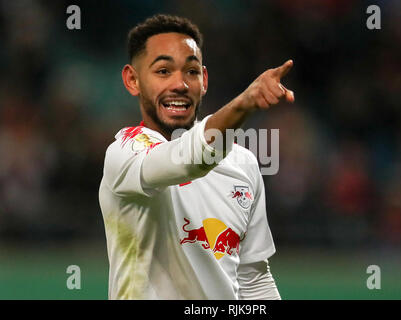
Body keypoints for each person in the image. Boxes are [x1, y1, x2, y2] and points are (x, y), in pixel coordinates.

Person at [99, 14, 294, 300]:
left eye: (190, 72)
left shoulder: (244, 165)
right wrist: (244, 103)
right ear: (133, 80)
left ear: (203, 80)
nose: (180, 84)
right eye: (163, 71)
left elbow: (253, 281)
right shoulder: (124, 154)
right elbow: (189, 160)